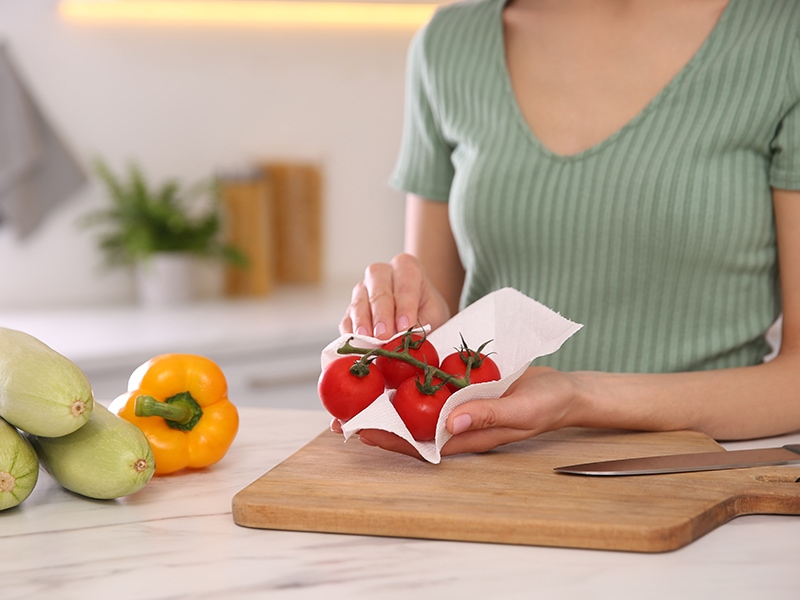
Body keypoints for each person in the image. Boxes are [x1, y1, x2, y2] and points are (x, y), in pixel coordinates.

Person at [337, 0, 800, 459]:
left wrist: (579, 397)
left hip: (696, 477)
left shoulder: (782, 36)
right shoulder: (449, 44)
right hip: (491, 479)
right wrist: (410, 323)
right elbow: (433, 340)